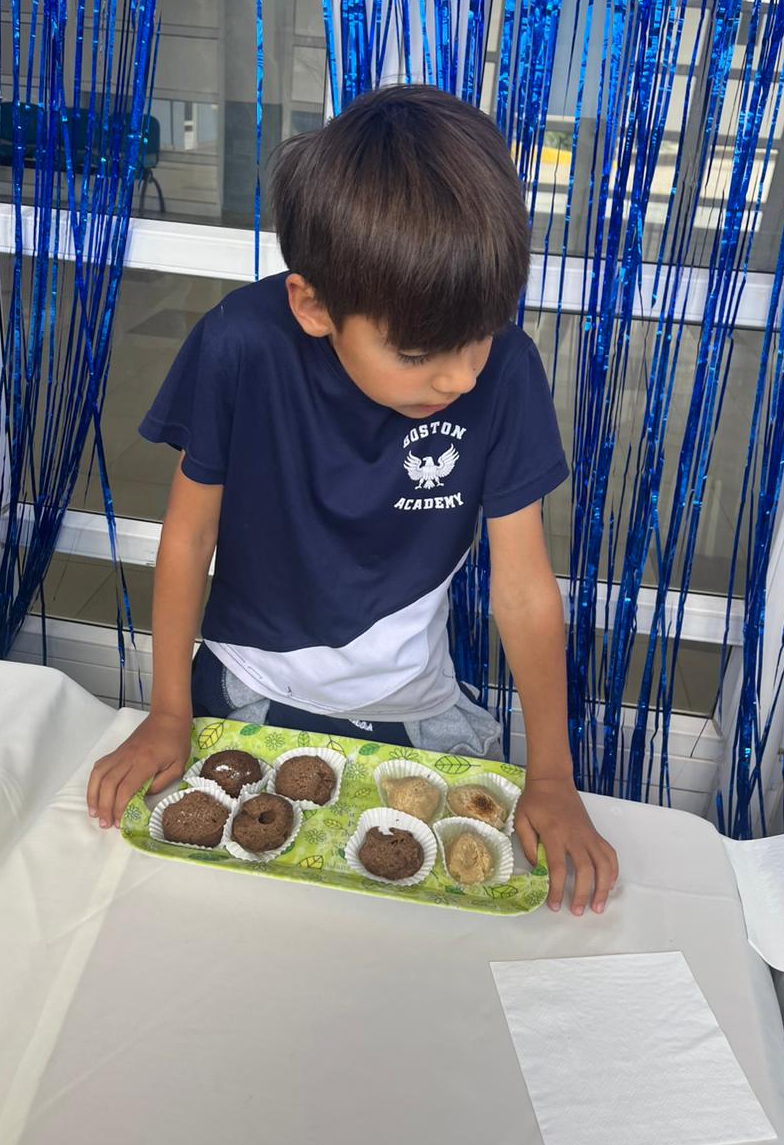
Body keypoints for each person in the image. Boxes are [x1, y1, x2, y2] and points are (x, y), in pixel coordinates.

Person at [87, 84, 618, 915]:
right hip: (243, 690)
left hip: (412, 710)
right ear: (313, 305)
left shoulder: (506, 374)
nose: (462, 376)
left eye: (481, 333)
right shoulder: (241, 344)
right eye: (418, 353)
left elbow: (521, 588)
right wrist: (167, 712)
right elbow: (189, 537)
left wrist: (552, 774)